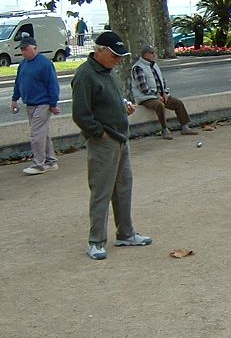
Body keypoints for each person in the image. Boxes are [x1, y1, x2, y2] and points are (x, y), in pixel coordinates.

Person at [71, 31, 152, 260]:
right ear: (100, 52)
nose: (119, 60)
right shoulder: (85, 75)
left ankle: (125, 233)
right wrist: (100, 133)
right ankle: (96, 241)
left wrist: (124, 105)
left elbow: (112, 99)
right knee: (101, 192)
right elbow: (81, 114)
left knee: (123, 187)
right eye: (115, 55)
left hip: (120, 138)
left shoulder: (110, 72)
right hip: (104, 142)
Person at [11, 34, 60, 175]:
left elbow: (52, 85)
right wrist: (15, 99)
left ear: (34, 48)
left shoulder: (45, 63)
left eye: (25, 49)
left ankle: (39, 164)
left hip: (42, 103)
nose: (23, 52)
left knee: (37, 134)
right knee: (42, 133)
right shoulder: (23, 64)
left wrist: (53, 103)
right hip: (30, 104)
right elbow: (18, 82)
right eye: (21, 49)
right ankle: (50, 161)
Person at [131, 45, 199, 139]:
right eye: (152, 53)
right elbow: (143, 88)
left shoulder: (154, 65)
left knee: (178, 103)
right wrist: (156, 95)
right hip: (146, 97)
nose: (154, 55)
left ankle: (184, 126)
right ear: (146, 55)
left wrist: (165, 93)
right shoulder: (138, 68)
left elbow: (162, 81)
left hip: (160, 95)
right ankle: (165, 129)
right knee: (160, 105)